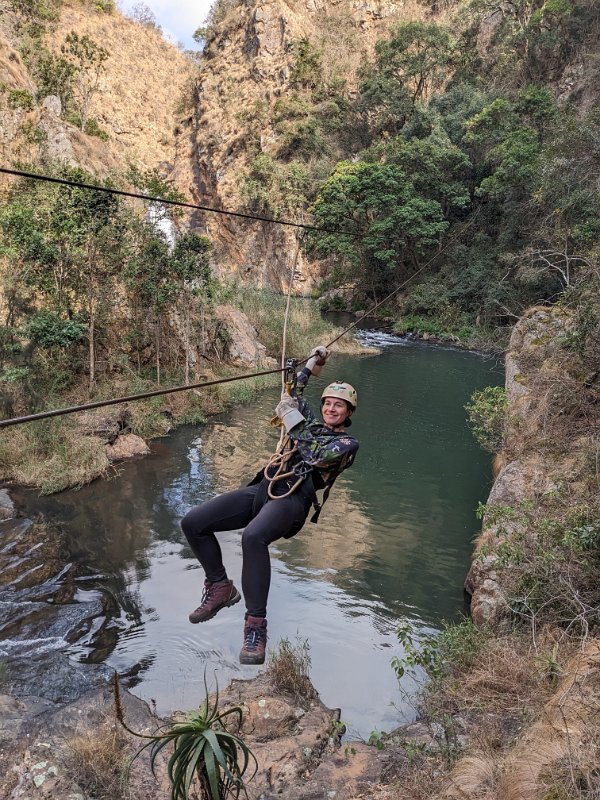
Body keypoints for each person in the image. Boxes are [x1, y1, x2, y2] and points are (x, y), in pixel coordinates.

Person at [180, 346, 359, 665]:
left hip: (294, 498)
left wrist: (292, 419)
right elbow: (294, 392)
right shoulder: (313, 424)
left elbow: (316, 454)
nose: (332, 409)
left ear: (348, 412)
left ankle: (255, 627)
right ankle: (220, 586)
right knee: (193, 523)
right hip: (266, 486)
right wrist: (312, 365)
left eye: (339, 406)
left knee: (253, 537)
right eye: (328, 403)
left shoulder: (346, 444)